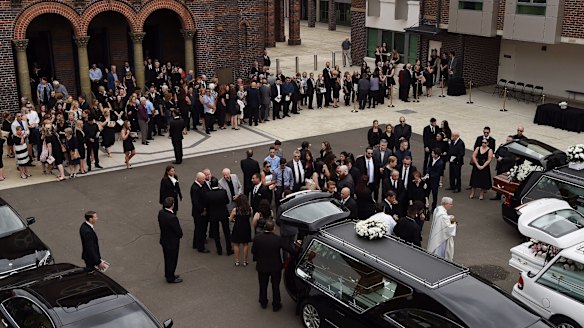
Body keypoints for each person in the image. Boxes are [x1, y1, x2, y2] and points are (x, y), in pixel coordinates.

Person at [251, 220, 294, 312]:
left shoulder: (257, 238)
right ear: (273, 228)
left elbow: (253, 251)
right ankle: (276, 304)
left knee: (263, 285)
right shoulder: (277, 239)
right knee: (275, 286)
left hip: (262, 266)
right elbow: (288, 249)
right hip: (275, 267)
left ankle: (263, 302)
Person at [158, 197, 183, 283]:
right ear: (172, 205)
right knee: (172, 260)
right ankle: (171, 277)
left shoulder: (161, 213)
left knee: (167, 259)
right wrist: (180, 235)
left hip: (164, 240)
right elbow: (178, 231)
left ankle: (168, 274)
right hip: (172, 242)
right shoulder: (172, 217)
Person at [205, 177, 233, 256]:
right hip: (223, 213)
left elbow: (207, 205)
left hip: (213, 215)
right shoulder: (223, 192)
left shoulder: (208, 194)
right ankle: (228, 249)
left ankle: (219, 250)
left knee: (216, 233)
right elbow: (227, 201)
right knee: (226, 232)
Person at [427, 197, 457, 261]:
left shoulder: (438, 209)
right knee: (440, 253)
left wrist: (448, 217)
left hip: (437, 234)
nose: (452, 206)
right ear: (446, 204)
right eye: (450, 204)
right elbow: (449, 228)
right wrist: (453, 220)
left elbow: (444, 220)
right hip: (441, 239)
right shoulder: (443, 215)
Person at [229, 195, 252, 267]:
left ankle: (237, 261)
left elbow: (230, 219)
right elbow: (250, 216)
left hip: (238, 227)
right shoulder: (249, 209)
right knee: (245, 244)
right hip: (246, 227)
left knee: (236, 244)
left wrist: (233, 219)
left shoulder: (235, 210)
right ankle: (245, 261)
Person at [190, 172, 210, 253]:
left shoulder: (202, 184)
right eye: (203, 180)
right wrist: (203, 210)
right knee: (200, 229)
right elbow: (196, 202)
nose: (204, 181)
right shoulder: (194, 188)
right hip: (199, 213)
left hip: (201, 211)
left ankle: (196, 243)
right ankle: (200, 247)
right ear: (198, 179)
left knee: (199, 229)